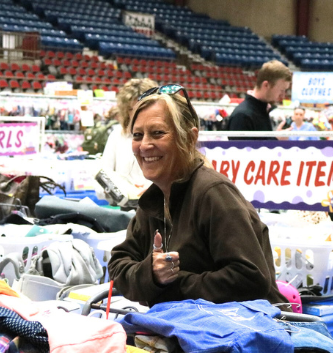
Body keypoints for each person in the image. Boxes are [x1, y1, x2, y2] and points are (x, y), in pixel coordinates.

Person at [108, 85, 287, 308]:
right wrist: (152, 273)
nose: (144, 145)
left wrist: (173, 284)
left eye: (157, 133)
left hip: (238, 334)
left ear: (189, 138)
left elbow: (251, 279)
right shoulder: (154, 199)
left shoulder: (213, 193)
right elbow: (118, 266)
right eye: (137, 135)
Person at [101, 78, 157, 192]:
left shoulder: (163, 136)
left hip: (156, 203)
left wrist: (152, 191)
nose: (137, 114)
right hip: (124, 204)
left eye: (142, 108)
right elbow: (105, 173)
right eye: (132, 109)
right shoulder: (117, 135)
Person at [227, 60, 292, 140]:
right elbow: (243, 151)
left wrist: (274, 138)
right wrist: (276, 140)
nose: (283, 95)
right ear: (266, 85)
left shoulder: (262, 110)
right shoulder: (242, 116)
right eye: (281, 90)